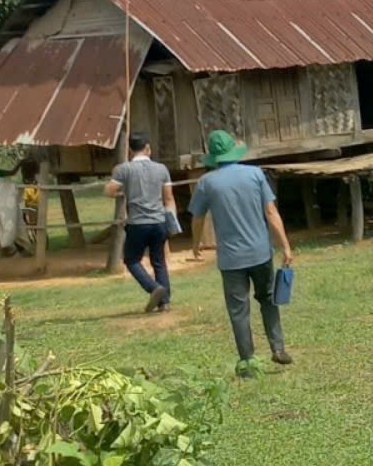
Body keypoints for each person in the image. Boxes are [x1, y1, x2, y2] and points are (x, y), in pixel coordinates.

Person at [189, 130, 294, 378]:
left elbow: (197, 217)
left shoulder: (207, 182)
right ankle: (278, 348)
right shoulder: (255, 174)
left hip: (230, 259)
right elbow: (271, 213)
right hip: (260, 253)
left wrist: (196, 244)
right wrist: (285, 246)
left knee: (238, 311)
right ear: (233, 152)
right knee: (268, 299)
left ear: (214, 156)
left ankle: (247, 363)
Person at [104, 133, 176, 313]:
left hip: (137, 223)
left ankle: (153, 288)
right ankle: (164, 302)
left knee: (131, 260)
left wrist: (117, 185)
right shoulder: (162, 169)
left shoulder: (123, 169)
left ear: (130, 150)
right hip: (159, 222)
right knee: (159, 261)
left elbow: (109, 191)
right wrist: (172, 224)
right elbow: (169, 198)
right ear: (148, 148)